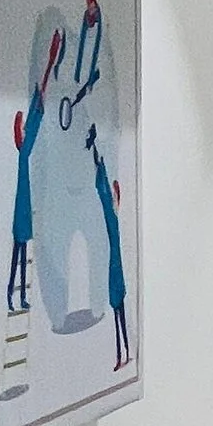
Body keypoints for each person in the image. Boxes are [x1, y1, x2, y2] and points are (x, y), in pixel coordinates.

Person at [5, 13, 64, 317]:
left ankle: (19, 297)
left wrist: (48, 71)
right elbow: (33, 124)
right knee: (18, 252)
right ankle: (11, 295)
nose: (27, 131)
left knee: (22, 250)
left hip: (25, 212)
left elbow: (36, 121)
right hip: (21, 213)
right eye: (23, 129)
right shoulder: (23, 154)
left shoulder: (25, 152)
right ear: (20, 135)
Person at [86, 122, 129, 372]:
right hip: (115, 275)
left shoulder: (113, 217)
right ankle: (121, 353)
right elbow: (101, 187)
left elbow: (105, 191)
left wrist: (97, 155)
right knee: (117, 315)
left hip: (117, 275)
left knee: (119, 315)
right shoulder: (109, 212)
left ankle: (122, 352)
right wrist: (95, 155)